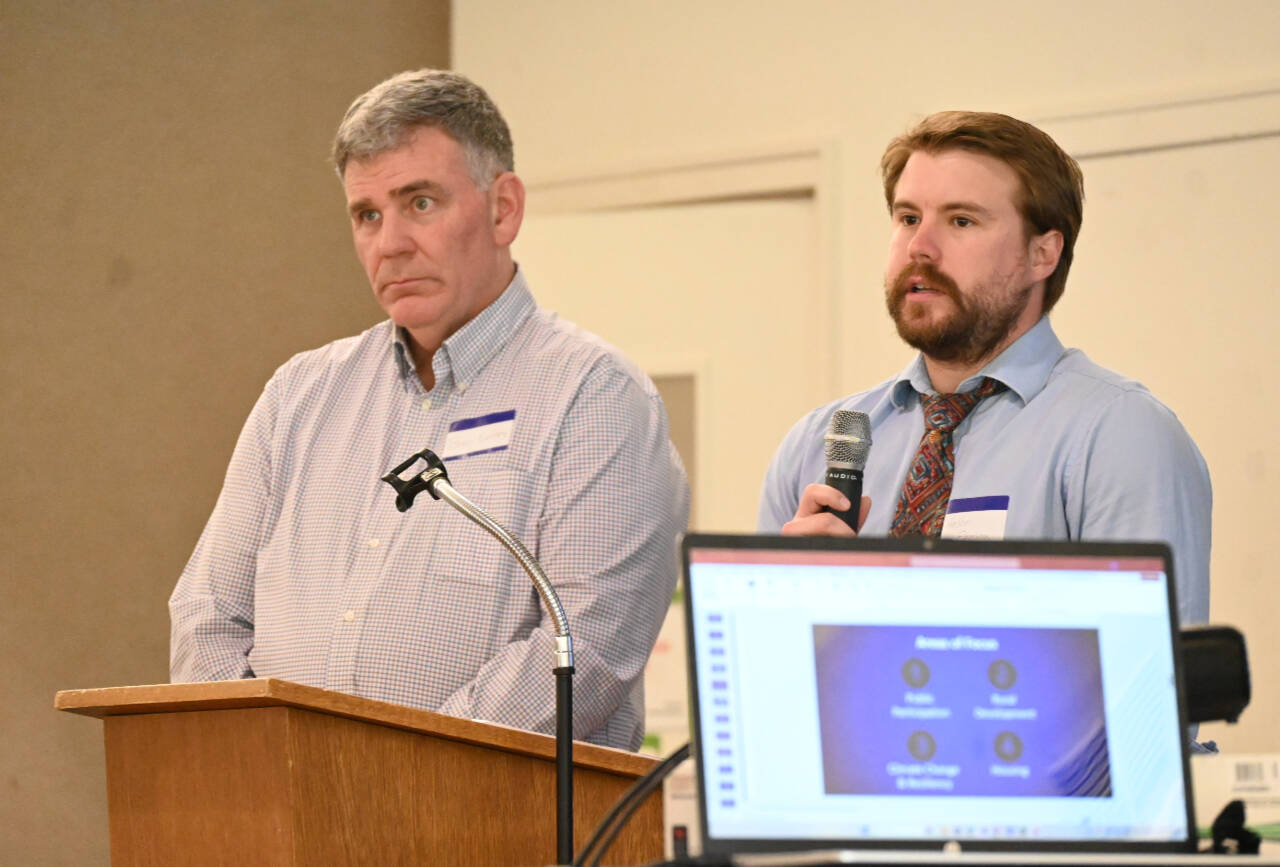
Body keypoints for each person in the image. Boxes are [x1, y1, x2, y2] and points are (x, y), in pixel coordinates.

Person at [170, 69, 690, 751]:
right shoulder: (297, 397)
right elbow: (208, 616)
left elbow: (585, 648)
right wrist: (264, 765)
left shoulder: (596, 398)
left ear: (503, 209)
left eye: (419, 203)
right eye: (367, 215)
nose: (389, 244)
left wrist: (389, 777)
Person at [758, 111, 1209, 628]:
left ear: (1042, 254)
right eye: (908, 218)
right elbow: (763, 690)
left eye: (961, 221)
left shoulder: (1119, 436)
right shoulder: (815, 445)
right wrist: (790, 610)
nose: (919, 248)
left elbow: (1147, 693)